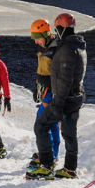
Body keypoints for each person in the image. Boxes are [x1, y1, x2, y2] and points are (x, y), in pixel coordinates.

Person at [26, 12, 86, 180]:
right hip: (75, 97)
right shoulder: (77, 46)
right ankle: (69, 169)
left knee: (41, 126)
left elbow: (65, 79)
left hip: (64, 99)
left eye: (57, 28)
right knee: (68, 132)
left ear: (62, 29)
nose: (56, 31)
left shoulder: (66, 49)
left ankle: (46, 165)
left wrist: (56, 103)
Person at [26, 18, 60, 171]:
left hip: (51, 94)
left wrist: (51, 96)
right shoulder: (45, 48)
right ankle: (51, 155)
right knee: (50, 125)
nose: (35, 42)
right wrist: (37, 86)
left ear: (46, 34)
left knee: (42, 124)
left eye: (37, 38)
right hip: (45, 92)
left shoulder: (55, 50)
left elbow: (56, 76)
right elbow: (42, 72)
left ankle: (48, 158)